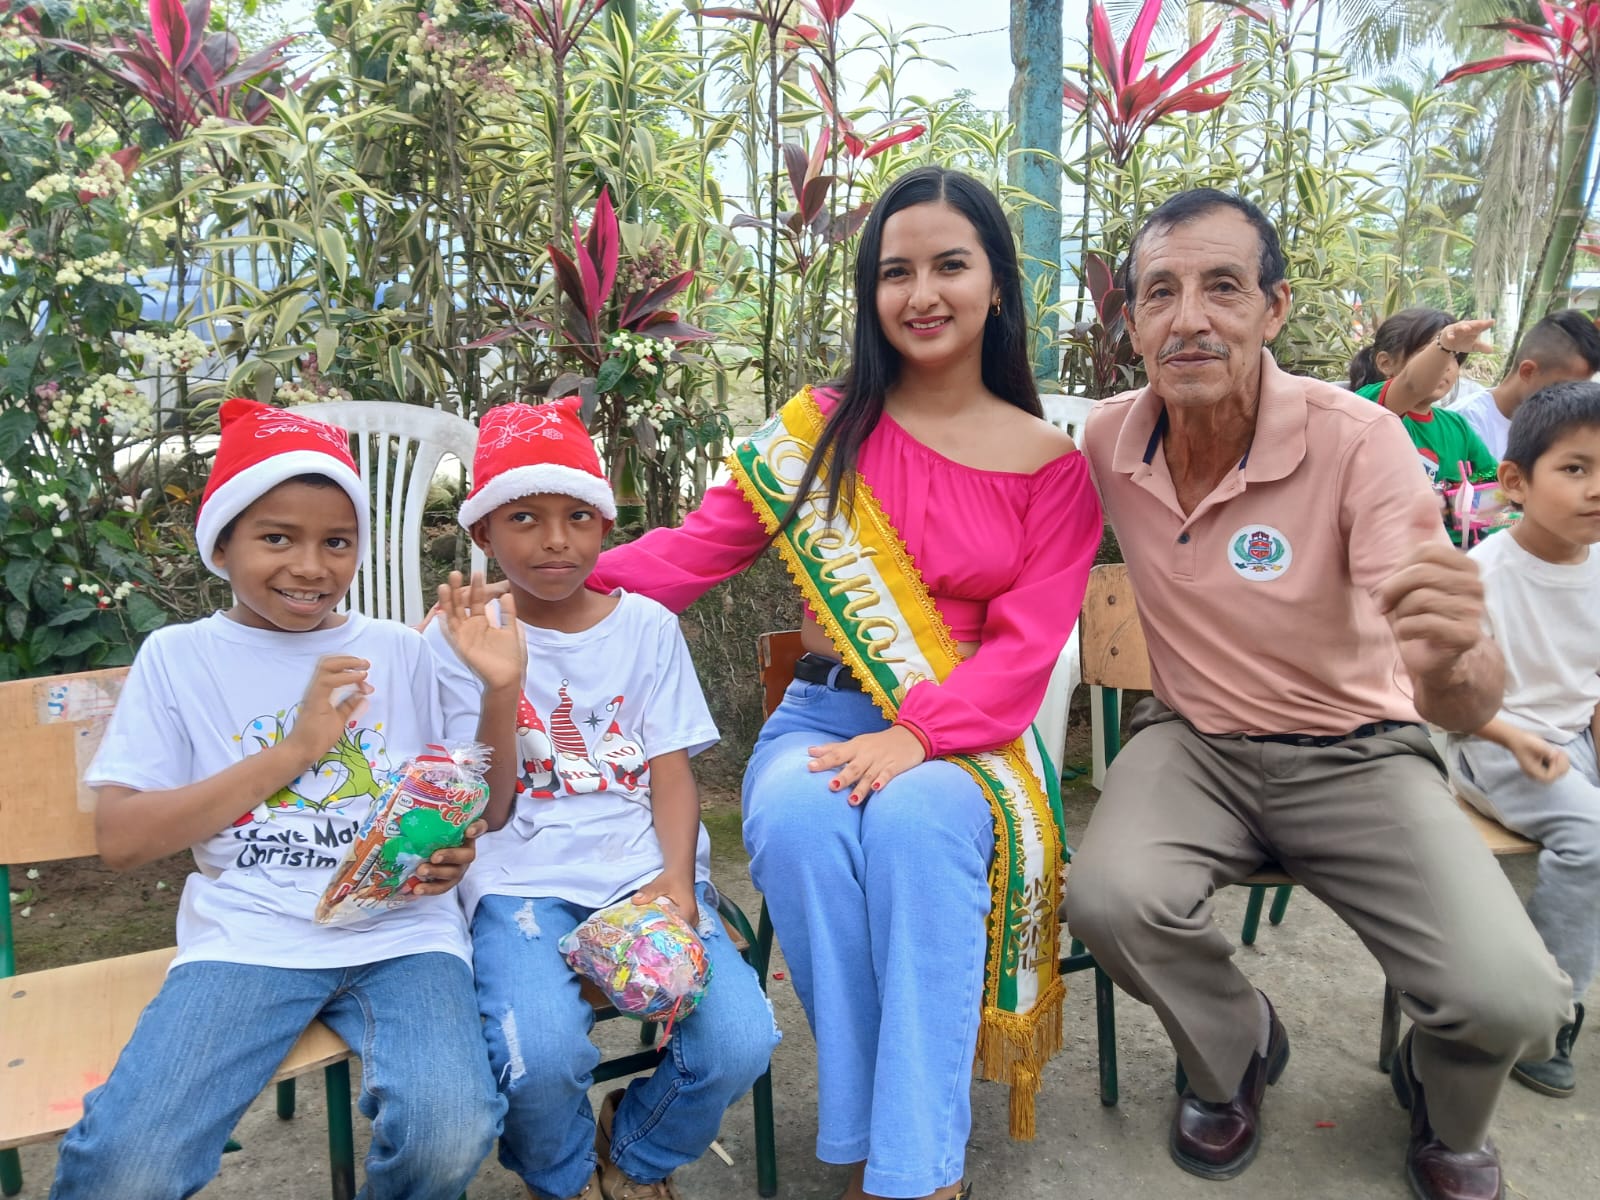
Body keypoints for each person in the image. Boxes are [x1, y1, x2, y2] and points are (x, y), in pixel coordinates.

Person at [583, 165, 1103, 1199]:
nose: (922, 293)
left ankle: (913, 1170)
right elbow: (690, 553)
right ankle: (886, 1133)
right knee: (797, 825)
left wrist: (919, 735)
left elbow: (1025, 648)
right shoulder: (819, 429)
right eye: (895, 272)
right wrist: (545, 587)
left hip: (965, 735)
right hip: (822, 713)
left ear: (997, 283)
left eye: (950, 265)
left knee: (914, 826)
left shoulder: (1052, 465)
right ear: (871, 293)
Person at [1064, 188, 1571, 1200]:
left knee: (1513, 999)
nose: (1189, 318)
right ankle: (1236, 1046)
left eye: (1223, 287)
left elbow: (1452, 691)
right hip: (1194, 741)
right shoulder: (1107, 441)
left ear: (1274, 307)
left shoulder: (1357, 440)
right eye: (1159, 293)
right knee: (1108, 900)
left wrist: (1450, 656)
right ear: (1132, 322)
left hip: (1359, 748)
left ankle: (1441, 1095)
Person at [51, 399, 508, 1199]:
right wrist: (297, 751)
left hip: (404, 933)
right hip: (251, 935)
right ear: (220, 544)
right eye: (276, 538)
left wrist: (453, 842)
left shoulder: (398, 651)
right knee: (127, 1164)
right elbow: (121, 840)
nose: (311, 566)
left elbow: (478, 805)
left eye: (337, 541)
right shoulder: (179, 658)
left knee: (450, 1131)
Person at [424, 398, 778, 1200]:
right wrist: (501, 685)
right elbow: (488, 813)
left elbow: (671, 771)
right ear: (483, 533)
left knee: (739, 1041)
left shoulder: (646, 628)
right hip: (516, 884)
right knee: (538, 1058)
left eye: (578, 516)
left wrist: (679, 881)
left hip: (640, 874)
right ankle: (562, 1175)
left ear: (605, 525)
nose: (556, 539)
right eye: (525, 517)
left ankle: (635, 1151)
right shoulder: (457, 642)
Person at [1447, 380, 1600, 1099]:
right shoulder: (1479, 576)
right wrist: (1509, 737)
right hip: (1494, 744)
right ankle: (1546, 1011)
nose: (1596, 488)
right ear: (1515, 481)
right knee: (1592, 838)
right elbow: (1445, 700)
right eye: (1576, 468)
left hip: (1572, 739)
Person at [1349, 307, 1500, 539]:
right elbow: (1412, 384)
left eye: (1453, 356)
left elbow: (1499, 489)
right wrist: (1455, 505)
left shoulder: (1457, 427)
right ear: (1386, 363)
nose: (1446, 364)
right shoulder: (1373, 406)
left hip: (1458, 552)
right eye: (1431, 353)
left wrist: (1456, 505)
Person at [1452, 310, 1600, 460]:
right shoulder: (1463, 424)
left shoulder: (1560, 428)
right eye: (1565, 388)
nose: (1572, 400)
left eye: (1581, 389)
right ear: (1528, 372)